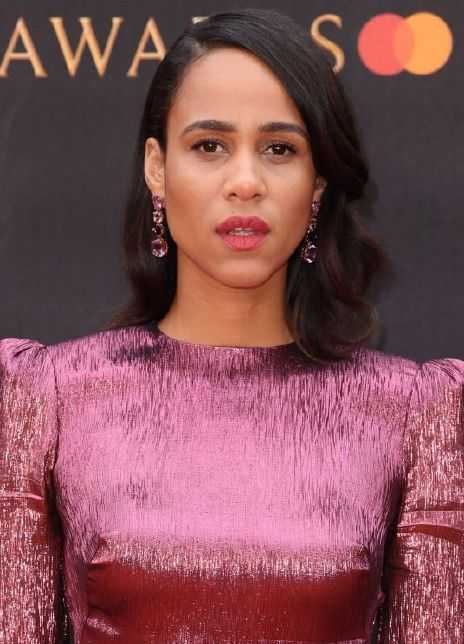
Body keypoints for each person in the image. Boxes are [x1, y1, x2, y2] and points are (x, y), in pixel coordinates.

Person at [0, 8, 462, 643]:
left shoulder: (415, 414)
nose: (245, 183)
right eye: (209, 146)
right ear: (157, 167)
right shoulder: (48, 399)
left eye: (279, 149)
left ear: (317, 182)